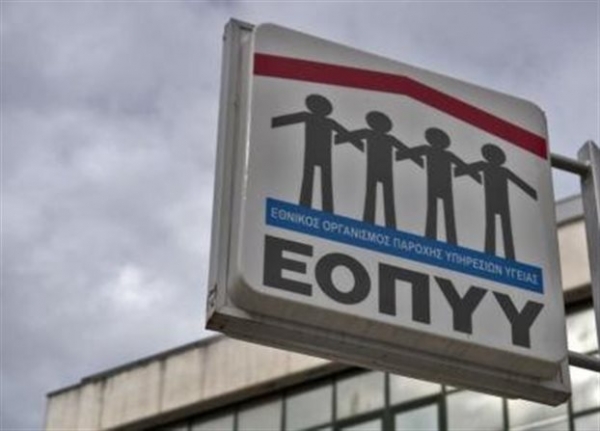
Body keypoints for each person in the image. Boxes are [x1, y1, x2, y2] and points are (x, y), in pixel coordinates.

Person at [336, 111, 422, 229]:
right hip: (374, 169)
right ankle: (369, 223)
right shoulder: (369, 133)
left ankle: (388, 226)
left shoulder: (389, 138)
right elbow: (350, 137)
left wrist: (418, 160)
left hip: (386, 172)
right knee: (372, 194)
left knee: (386, 196)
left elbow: (404, 151)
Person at [271, 94, 356, 213]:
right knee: (311, 180)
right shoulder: (312, 117)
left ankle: (323, 211)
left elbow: (346, 134)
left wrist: (358, 144)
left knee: (322, 181)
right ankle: (308, 210)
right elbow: (284, 120)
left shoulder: (327, 121)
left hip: (322, 156)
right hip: (315, 155)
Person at [399, 128, 480, 245]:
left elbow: (463, 167)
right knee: (434, 210)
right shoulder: (427, 149)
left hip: (446, 187)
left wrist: (476, 176)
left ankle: (450, 241)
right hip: (434, 186)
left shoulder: (447, 154)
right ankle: (431, 239)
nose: (437, 142)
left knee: (447, 213)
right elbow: (408, 153)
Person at [456, 143, 537, 260]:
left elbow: (520, 183)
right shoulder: (484, 165)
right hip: (492, 202)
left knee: (504, 229)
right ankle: (491, 255)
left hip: (502, 204)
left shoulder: (503, 170)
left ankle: (508, 257)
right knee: (492, 227)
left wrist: (533, 192)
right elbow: (464, 169)